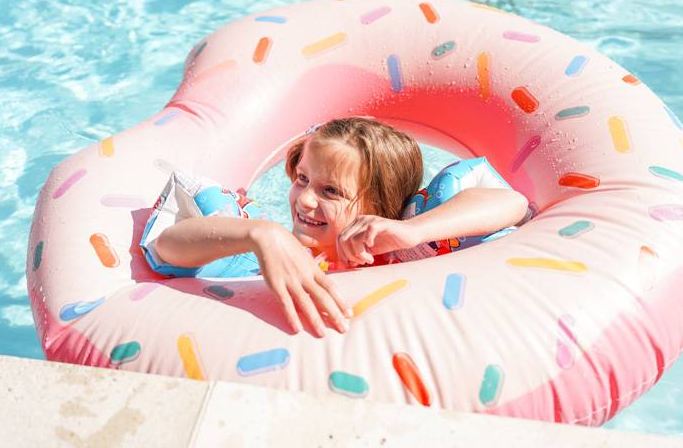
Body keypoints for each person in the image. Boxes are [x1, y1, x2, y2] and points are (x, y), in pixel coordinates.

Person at [154, 118, 528, 337]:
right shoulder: (282, 255)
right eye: (302, 179)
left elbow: (513, 203)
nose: (304, 200)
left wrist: (414, 231)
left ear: (378, 205)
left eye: (330, 191)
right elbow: (167, 247)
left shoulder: (404, 250)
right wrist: (261, 234)